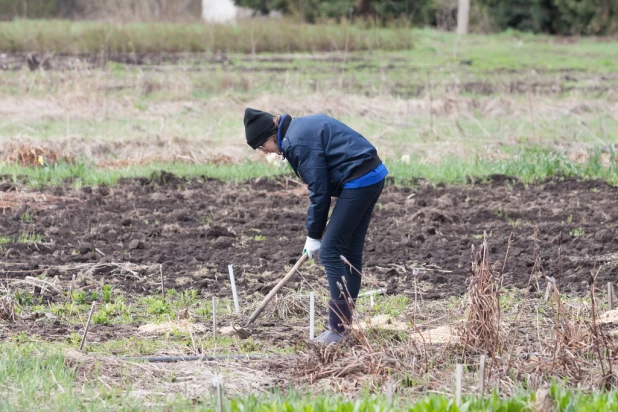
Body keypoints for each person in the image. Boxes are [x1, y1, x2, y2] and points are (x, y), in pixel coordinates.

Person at [244, 108, 388, 344]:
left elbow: (319, 191)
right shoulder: (297, 130)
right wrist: (317, 231)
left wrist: (314, 235)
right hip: (371, 174)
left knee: (331, 251)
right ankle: (344, 327)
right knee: (348, 252)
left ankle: (338, 330)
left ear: (270, 136)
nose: (265, 152)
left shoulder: (297, 142)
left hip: (359, 179)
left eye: (262, 147)